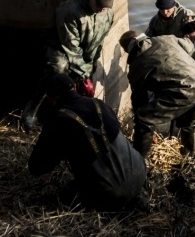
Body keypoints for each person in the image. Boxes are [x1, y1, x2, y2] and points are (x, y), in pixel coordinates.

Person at [28, 73, 146, 211]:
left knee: (66, 195)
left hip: (110, 193)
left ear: (51, 99)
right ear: (74, 87)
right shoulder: (99, 104)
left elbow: (36, 167)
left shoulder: (59, 120)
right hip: (140, 175)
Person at [22, 0, 116, 131]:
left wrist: (93, 61)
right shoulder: (69, 11)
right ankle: (31, 110)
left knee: (85, 77)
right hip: (58, 45)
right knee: (58, 68)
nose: (101, 10)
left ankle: (74, 115)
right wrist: (84, 74)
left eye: (105, 7)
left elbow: (100, 40)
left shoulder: (107, 13)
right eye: (99, 5)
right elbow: (70, 47)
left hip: (85, 49)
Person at [119, 29, 195, 157]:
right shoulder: (167, 38)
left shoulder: (136, 65)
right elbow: (190, 47)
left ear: (128, 49)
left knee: (143, 119)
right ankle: (189, 158)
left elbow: (139, 100)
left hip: (185, 91)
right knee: (188, 123)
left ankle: (140, 160)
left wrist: (146, 130)